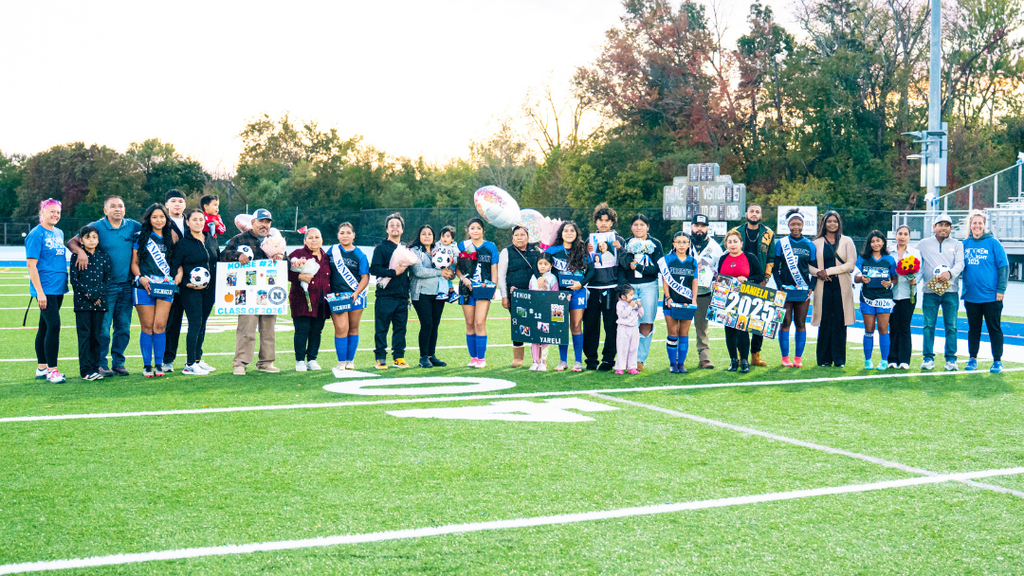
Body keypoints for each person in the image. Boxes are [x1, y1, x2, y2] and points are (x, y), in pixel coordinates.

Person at [66, 195, 141, 376]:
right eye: (113, 206)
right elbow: (71, 242)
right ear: (105, 210)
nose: (118, 209)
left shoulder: (133, 226)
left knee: (123, 327)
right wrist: (80, 253)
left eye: (121, 206)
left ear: (125, 209)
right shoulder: (98, 226)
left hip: (126, 285)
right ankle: (100, 363)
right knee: (103, 329)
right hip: (105, 288)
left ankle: (118, 362)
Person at [222, 208, 282, 375]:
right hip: (246, 293)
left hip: (269, 292)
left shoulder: (275, 240)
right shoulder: (240, 239)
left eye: (267, 222)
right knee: (246, 329)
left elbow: (286, 262)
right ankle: (240, 363)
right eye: (261, 221)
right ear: (253, 222)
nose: (264, 225)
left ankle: (266, 362)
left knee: (268, 329)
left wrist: (281, 257)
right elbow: (223, 255)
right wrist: (236, 255)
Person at [131, 203, 181, 378]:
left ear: (166, 219)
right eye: (154, 217)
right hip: (144, 286)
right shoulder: (141, 237)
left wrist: (179, 272)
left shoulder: (172, 236)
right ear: (149, 219)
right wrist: (141, 277)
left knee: (160, 326)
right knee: (147, 326)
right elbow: (134, 264)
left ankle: (158, 364)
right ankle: (147, 365)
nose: (158, 220)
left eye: (162, 217)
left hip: (165, 286)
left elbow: (177, 261)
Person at [172, 209, 221, 375]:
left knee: (203, 324)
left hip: (209, 290)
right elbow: (175, 267)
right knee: (195, 324)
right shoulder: (183, 244)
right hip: (190, 290)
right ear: (188, 222)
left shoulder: (212, 241)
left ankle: (198, 359)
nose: (198, 222)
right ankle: (189, 363)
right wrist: (186, 283)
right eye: (194, 219)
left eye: (201, 219)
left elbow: (218, 263)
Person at [27, 198, 69, 383]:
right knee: (53, 325)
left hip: (58, 287)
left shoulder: (59, 232)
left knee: (44, 326)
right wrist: (39, 292)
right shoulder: (36, 234)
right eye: (51, 211)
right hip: (45, 289)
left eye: (58, 212)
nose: (55, 215)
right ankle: (52, 370)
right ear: (41, 213)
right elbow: (31, 265)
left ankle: (42, 368)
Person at [961, 210, 1008, 373]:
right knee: (974, 329)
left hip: (991, 296)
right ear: (970, 225)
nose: (977, 226)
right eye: (974, 223)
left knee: (994, 328)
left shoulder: (993, 243)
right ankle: (972, 358)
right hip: (971, 296)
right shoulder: (964, 244)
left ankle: (997, 360)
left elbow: (1003, 266)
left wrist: (1001, 289)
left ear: (984, 225)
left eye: (980, 223)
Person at [917, 213, 964, 371]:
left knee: (951, 326)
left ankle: (950, 359)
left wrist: (949, 274)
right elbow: (915, 261)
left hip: (950, 292)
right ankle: (928, 358)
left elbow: (960, 264)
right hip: (930, 292)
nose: (943, 228)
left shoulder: (957, 244)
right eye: (940, 225)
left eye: (947, 225)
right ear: (934, 227)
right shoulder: (923, 244)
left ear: (951, 228)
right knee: (928, 325)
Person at [729, 204, 775, 367]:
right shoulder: (735, 231)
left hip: (758, 280)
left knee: (758, 322)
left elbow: (771, 258)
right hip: (737, 281)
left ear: (761, 215)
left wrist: (766, 277)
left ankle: (755, 354)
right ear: (746, 213)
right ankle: (741, 356)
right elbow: (727, 251)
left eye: (757, 212)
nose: (754, 214)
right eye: (751, 211)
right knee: (737, 321)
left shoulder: (768, 233)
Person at [810, 211, 857, 368]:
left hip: (841, 285)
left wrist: (827, 271)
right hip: (822, 286)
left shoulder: (847, 241)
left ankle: (839, 359)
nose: (832, 224)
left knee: (840, 321)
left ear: (839, 223)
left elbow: (850, 264)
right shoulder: (815, 242)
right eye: (829, 221)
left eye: (835, 221)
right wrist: (818, 273)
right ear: (824, 223)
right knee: (825, 321)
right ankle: (823, 359)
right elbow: (808, 264)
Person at [546, 220, 595, 372]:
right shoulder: (552, 250)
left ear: (576, 233)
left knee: (576, 325)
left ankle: (578, 361)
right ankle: (563, 361)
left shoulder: (582, 250)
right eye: (566, 230)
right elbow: (543, 267)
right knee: (561, 326)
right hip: (559, 294)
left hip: (577, 292)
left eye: (572, 231)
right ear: (561, 233)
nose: (569, 233)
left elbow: (591, 271)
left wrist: (581, 285)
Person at [583, 203, 625, 371]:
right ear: (596, 222)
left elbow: (625, 263)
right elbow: (585, 265)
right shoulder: (589, 240)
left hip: (612, 287)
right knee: (591, 325)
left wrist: (620, 249)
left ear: (612, 223)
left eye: (607, 220)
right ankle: (591, 359)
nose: (603, 223)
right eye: (600, 220)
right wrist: (587, 252)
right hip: (593, 288)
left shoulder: (618, 240)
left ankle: (608, 359)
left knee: (611, 325)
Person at [717, 230, 765, 373]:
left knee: (742, 330)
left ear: (741, 243)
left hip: (745, 299)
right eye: (729, 242)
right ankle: (733, 361)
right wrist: (716, 284)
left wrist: (747, 279)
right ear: (726, 244)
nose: (732, 245)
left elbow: (760, 276)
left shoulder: (750, 257)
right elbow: (719, 277)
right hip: (727, 299)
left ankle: (744, 361)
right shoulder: (722, 258)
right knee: (729, 331)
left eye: (735, 241)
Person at [772, 210, 816, 368]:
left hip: (803, 290)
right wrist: (780, 286)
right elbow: (775, 268)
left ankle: (798, 358)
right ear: (788, 225)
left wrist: (811, 287)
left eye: (798, 224)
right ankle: (785, 357)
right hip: (785, 290)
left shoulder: (810, 245)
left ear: (803, 225)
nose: (795, 227)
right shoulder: (781, 243)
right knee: (785, 322)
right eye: (792, 224)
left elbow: (815, 270)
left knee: (801, 322)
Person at [620, 214, 663, 371]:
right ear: (631, 227)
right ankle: (627, 358)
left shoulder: (655, 244)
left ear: (647, 227)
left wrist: (639, 267)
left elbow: (657, 268)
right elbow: (622, 265)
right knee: (629, 323)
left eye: (642, 225)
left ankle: (640, 359)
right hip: (630, 287)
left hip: (649, 286)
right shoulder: (626, 243)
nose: (639, 227)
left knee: (646, 322)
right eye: (635, 224)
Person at [456, 218, 500, 368]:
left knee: (480, 322)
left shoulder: (490, 247)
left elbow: (494, 269)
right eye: (472, 228)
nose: (475, 231)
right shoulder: (462, 246)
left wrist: (493, 287)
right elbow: (457, 268)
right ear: (468, 230)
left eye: (478, 228)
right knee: (469, 323)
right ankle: (473, 357)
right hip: (466, 289)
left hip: (484, 288)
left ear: (483, 230)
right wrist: (463, 279)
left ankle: (481, 358)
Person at [70, 225, 112, 381]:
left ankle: (95, 367)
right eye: (88, 237)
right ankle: (86, 370)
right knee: (85, 336)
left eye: (94, 237)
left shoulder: (104, 257)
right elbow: (74, 280)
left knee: (96, 336)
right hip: (83, 303)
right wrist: (89, 294)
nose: (92, 240)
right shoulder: (76, 257)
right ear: (81, 240)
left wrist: (96, 294)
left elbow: (108, 279)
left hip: (100, 303)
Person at [327, 222, 370, 374]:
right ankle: (341, 361)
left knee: (353, 328)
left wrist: (357, 292)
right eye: (342, 233)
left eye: (348, 233)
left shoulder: (360, 255)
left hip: (355, 296)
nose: (345, 236)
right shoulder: (332, 251)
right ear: (338, 235)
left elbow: (365, 277)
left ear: (353, 235)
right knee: (341, 327)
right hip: (337, 297)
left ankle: (350, 360)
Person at [410, 224, 455, 368]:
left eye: (430, 234)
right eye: (424, 234)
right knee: (427, 324)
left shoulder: (439, 250)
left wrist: (449, 273)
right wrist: (440, 272)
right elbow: (419, 271)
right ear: (419, 236)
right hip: (421, 293)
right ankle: (423, 357)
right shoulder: (414, 251)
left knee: (435, 325)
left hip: (438, 293)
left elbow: (448, 270)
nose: (427, 236)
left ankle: (431, 355)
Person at [371, 213, 413, 370]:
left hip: (402, 297)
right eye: (392, 225)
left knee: (401, 328)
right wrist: (393, 272)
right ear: (387, 229)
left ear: (402, 229)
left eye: (398, 225)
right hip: (385, 296)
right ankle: (380, 358)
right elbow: (374, 269)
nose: (395, 227)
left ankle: (399, 357)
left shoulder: (405, 249)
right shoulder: (381, 248)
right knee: (382, 328)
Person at [288, 228, 331, 373]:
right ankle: (300, 360)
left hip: (321, 301)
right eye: (311, 238)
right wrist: (299, 277)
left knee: (316, 331)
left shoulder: (326, 257)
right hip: (302, 300)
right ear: (304, 240)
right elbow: (284, 271)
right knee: (302, 330)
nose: (314, 240)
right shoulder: (297, 255)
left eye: (317, 237)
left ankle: (312, 359)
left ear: (322, 239)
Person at [498, 225, 541, 367]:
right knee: (518, 323)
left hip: (534, 295)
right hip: (515, 296)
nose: (519, 237)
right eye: (516, 235)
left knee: (536, 324)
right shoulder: (506, 251)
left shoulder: (536, 251)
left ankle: (538, 357)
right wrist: (504, 296)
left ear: (528, 237)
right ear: (512, 237)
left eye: (522, 235)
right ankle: (518, 357)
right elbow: (501, 275)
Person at [855, 231, 898, 371]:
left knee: (883, 329)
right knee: (869, 329)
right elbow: (855, 277)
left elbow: (895, 278)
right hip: (867, 298)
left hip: (884, 298)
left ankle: (884, 360)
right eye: (873, 241)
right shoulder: (862, 258)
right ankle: (868, 360)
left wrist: (890, 283)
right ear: (869, 243)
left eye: (878, 241)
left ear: (883, 242)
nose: (876, 244)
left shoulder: (889, 259)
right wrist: (861, 278)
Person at [660, 232, 698, 373]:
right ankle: (672, 363)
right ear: (673, 244)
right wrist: (668, 297)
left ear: (689, 244)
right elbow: (665, 281)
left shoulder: (693, 261)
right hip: (671, 300)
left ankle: (681, 363)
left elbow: (694, 281)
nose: (681, 245)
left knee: (684, 332)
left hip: (686, 300)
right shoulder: (667, 259)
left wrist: (693, 299)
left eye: (684, 242)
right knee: (673, 331)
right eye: (678, 242)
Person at [689, 213, 723, 369]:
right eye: (697, 225)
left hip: (704, 292)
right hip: (683, 291)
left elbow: (721, 271)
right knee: (677, 326)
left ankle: (704, 357)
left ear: (708, 228)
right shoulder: (683, 242)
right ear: (691, 226)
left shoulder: (715, 247)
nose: (699, 229)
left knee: (702, 326)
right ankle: (677, 358)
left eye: (703, 226)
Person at [161, 189, 188, 373]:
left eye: (180, 201)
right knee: (171, 322)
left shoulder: (194, 220)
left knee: (197, 322)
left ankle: (195, 359)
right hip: (171, 279)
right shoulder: (162, 223)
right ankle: (167, 359)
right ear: (167, 205)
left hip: (194, 279)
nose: (177, 204)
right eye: (173, 201)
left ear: (185, 204)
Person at [888, 225, 920, 370]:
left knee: (905, 327)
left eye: (905, 234)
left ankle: (904, 360)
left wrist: (915, 280)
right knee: (893, 326)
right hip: (892, 295)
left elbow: (921, 272)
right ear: (896, 235)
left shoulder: (915, 253)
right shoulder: (889, 252)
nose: (902, 236)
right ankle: (892, 359)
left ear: (909, 236)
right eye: (900, 233)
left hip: (909, 294)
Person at [528, 253, 559, 371]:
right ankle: (535, 361)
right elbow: (530, 293)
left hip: (547, 313)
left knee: (545, 338)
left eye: (545, 264)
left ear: (550, 266)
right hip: (534, 312)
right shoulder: (533, 277)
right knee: (535, 337)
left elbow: (556, 295)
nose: (542, 266)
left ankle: (543, 361)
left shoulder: (552, 278)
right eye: (540, 263)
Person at [614, 285, 643, 375]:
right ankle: (620, 367)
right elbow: (623, 314)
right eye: (631, 295)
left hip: (634, 328)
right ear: (623, 297)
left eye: (633, 294)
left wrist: (639, 307)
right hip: (623, 328)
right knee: (622, 348)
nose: (633, 297)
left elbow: (641, 315)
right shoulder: (620, 304)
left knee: (633, 348)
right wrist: (630, 306)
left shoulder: (634, 304)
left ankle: (632, 367)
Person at [437, 226, 459, 302]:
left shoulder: (453, 247)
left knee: (443, 277)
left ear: (452, 239)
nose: (445, 238)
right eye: (443, 236)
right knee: (445, 279)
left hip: (450, 267)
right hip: (440, 266)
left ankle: (443, 292)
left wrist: (452, 260)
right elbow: (434, 252)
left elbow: (457, 257)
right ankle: (452, 292)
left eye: (448, 236)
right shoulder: (438, 245)